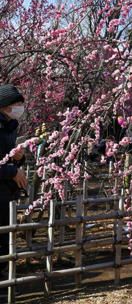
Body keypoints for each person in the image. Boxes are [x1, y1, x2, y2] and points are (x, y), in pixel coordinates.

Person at [0, 85, 27, 297]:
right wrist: (12, 171)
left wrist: (19, 158)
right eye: (17, 104)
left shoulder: (11, 126)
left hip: (6, 193)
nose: (20, 107)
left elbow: (6, 157)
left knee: (4, 242)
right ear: (5, 106)